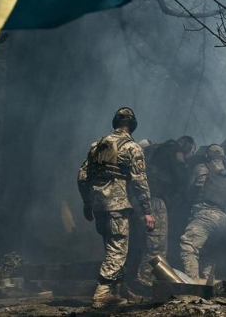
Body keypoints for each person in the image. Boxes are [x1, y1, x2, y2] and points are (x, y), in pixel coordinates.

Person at [78, 107, 155, 308]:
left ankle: (121, 291)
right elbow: (140, 181)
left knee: (111, 247)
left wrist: (87, 202)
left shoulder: (96, 146)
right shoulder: (132, 147)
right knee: (118, 249)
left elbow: (82, 176)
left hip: (98, 205)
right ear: (132, 125)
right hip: (117, 205)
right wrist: (147, 210)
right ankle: (103, 292)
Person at [136, 135, 197, 289]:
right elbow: (181, 179)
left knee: (143, 243)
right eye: (190, 153)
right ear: (186, 148)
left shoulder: (156, 150)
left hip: (139, 200)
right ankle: (146, 283)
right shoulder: (173, 151)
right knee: (157, 245)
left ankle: (137, 280)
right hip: (154, 202)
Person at [179, 144, 226, 281]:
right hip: (223, 220)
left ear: (207, 156)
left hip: (204, 216)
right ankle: (209, 284)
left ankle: (192, 285)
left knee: (188, 246)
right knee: (209, 253)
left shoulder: (201, 168)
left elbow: (189, 190)